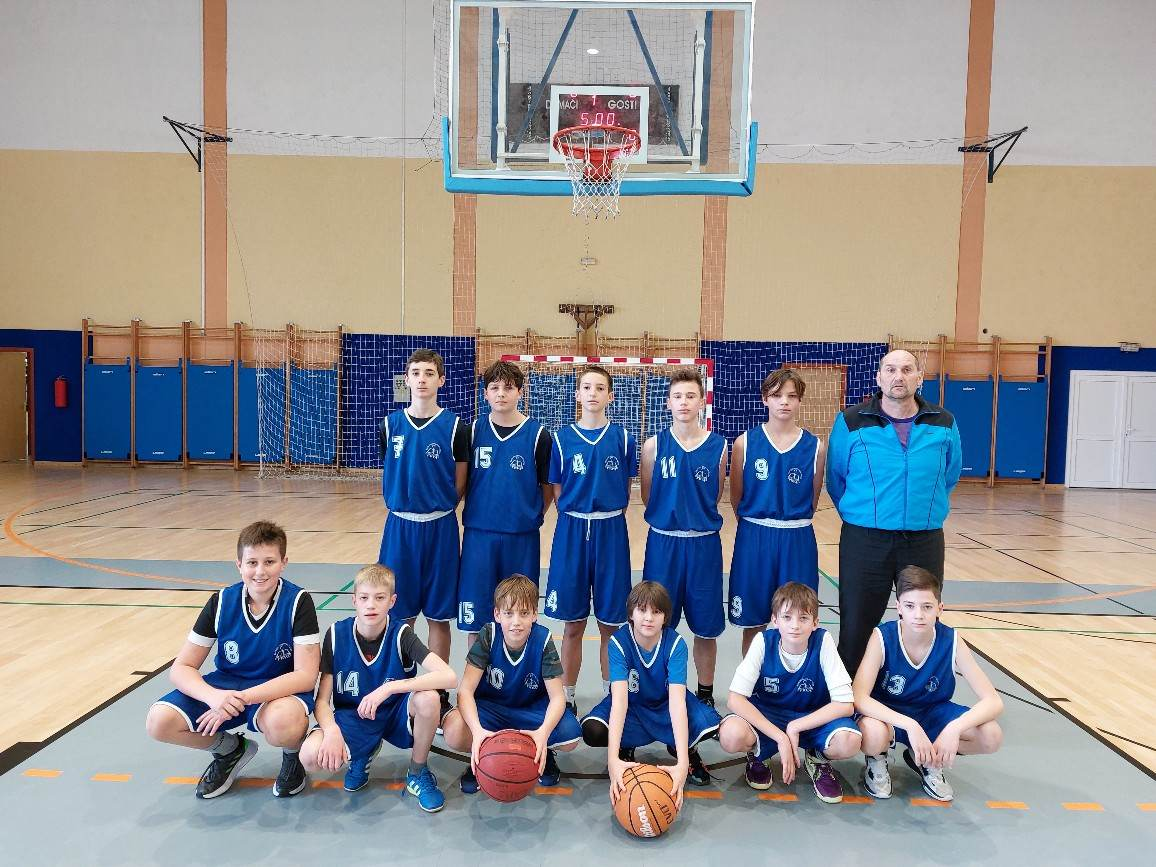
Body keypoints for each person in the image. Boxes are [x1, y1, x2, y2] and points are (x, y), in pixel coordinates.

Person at [144, 521, 320, 799]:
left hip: (276, 690)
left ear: (284, 563)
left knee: (283, 723)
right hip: (226, 686)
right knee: (159, 722)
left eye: (269, 562)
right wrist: (214, 697)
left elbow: (306, 676)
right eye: (252, 562)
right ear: (239, 565)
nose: (260, 571)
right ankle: (230, 750)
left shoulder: (298, 601)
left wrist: (242, 698)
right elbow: (181, 668)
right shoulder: (222, 601)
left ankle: (292, 755)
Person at [826, 349, 962, 674]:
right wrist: (867, 514)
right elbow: (836, 479)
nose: (898, 376)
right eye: (890, 369)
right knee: (856, 626)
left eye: (906, 369)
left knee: (921, 623)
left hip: (924, 540)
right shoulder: (851, 421)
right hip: (864, 541)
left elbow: (949, 475)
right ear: (878, 377)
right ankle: (849, 697)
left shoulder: (944, 422)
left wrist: (921, 510)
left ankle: (915, 692)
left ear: (919, 378)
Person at [299, 564, 456, 812]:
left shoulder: (401, 634)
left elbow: (449, 676)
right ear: (354, 600)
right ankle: (363, 753)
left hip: (395, 713)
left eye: (380, 598)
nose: (371, 605)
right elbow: (322, 701)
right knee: (309, 756)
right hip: (355, 716)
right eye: (364, 598)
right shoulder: (336, 634)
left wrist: (390, 688)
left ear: (392, 601)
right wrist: (331, 730)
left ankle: (417, 771)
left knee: (428, 699)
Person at [853, 566, 1003, 802]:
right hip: (889, 716)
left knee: (991, 735)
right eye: (910, 606)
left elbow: (993, 701)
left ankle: (928, 758)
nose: (918, 615)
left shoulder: (952, 640)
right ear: (898, 607)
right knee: (872, 734)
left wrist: (953, 729)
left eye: (927, 607)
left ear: (939, 609)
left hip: (931, 713)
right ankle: (877, 760)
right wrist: (909, 725)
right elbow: (859, 697)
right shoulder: (882, 637)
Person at [378, 348, 469, 712]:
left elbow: (461, 481)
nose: (422, 379)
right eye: (415, 372)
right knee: (400, 615)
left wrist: (440, 505)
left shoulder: (456, 427)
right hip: (400, 529)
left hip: (440, 528)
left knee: (439, 617)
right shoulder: (389, 425)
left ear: (441, 380)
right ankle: (398, 689)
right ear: (407, 379)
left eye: (429, 373)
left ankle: (438, 693)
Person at [545, 365, 637, 716]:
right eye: (586, 387)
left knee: (611, 624)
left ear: (610, 396)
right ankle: (566, 697)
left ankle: (612, 696)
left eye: (600, 388)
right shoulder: (561, 439)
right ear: (577, 394)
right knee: (573, 624)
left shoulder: (623, 439)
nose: (593, 393)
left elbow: (626, 489)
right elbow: (557, 488)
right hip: (572, 531)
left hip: (610, 531)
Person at [717, 582, 861, 803]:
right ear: (775, 620)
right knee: (730, 734)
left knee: (849, 741)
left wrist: (795, 727)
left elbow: (845, 704)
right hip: (769, 716)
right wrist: (781, 737)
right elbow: (735, 699)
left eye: (803, 618)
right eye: (787, 617)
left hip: (811, 716)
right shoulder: (763, 641)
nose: (795, 625)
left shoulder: (823, 641)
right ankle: (759, 753)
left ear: (815, 623)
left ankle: (817, 758)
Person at [581, 582, 721, 803]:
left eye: (656, 612)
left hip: (665, 706)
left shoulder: (675, 644)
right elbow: (619, 702)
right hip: (633, 706)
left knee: (709, 726)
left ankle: (686, 750)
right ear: (631, 614)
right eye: (642, 610)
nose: (648, 618)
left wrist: (682, 763)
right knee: (593, 730)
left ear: (665, 617)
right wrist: (612, 760)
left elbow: (677, 703)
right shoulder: (618, 642)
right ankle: (624, 748)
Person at [442, 573, 582, 793]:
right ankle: (482, 756)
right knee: (453, 729)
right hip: (492, 709)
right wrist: (477, 732)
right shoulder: (488, 635)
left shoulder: (543, 639)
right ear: (497, 614)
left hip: (530, 711)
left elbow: (557, 697)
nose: (516, 621)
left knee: (571, 735)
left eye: (524, 613)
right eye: (509, 613)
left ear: (534, 614)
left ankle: (541, 751)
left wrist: (543, 733)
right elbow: (465, 691)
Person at [639, 368, 728, 708]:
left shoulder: (719, 446)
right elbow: (648, 496)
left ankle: (705, 695)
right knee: (656, 623)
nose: (684, 402)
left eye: (691, 396)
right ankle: (659, 691)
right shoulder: (653, 446)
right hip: (663, 544)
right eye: (677, 396)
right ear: (668, 403)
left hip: (704, 544)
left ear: (702, 402)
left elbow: (716, 494)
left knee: (706, 628)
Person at [728, 368, 825, 656]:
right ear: (765, 399)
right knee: (753, 622)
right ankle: (753, 679)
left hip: (797, 538)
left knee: (798, 620)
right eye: (777, 395)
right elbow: (736, 497)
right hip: (754, 536)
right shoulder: (745, 443)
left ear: (799, 401)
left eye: (791, 396)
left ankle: (794, 680)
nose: (784, 402)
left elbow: (813, 498)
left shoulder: (815, 447)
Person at [458, 361, 553, 642]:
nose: (501, 393)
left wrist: (530, 514)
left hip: (521, 537)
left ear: (520, 392)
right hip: (479, 536)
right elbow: (461, 480)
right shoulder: (472, 431)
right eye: (494, 387)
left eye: (508, 388)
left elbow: (547, 487)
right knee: (476, 617)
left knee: (519, 615)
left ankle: (517, 669)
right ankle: (476, 670)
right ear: (485, 393)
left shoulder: (538, 435)